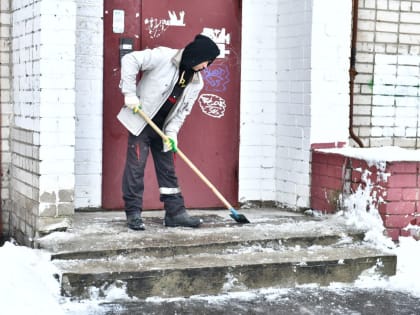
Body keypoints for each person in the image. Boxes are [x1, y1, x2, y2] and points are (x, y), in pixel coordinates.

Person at [118, 34, 220, 230]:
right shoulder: (164, 57)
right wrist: (129, 93)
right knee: (136, 168)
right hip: (142, 122)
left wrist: (172, 133)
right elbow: (130, 59)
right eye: (207, 61)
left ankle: (175, 213)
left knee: (168, 171)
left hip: (163, 128)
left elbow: (183, 112)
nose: (207, 67)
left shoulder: (196, 82)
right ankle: (133, 214)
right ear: (197, 56)